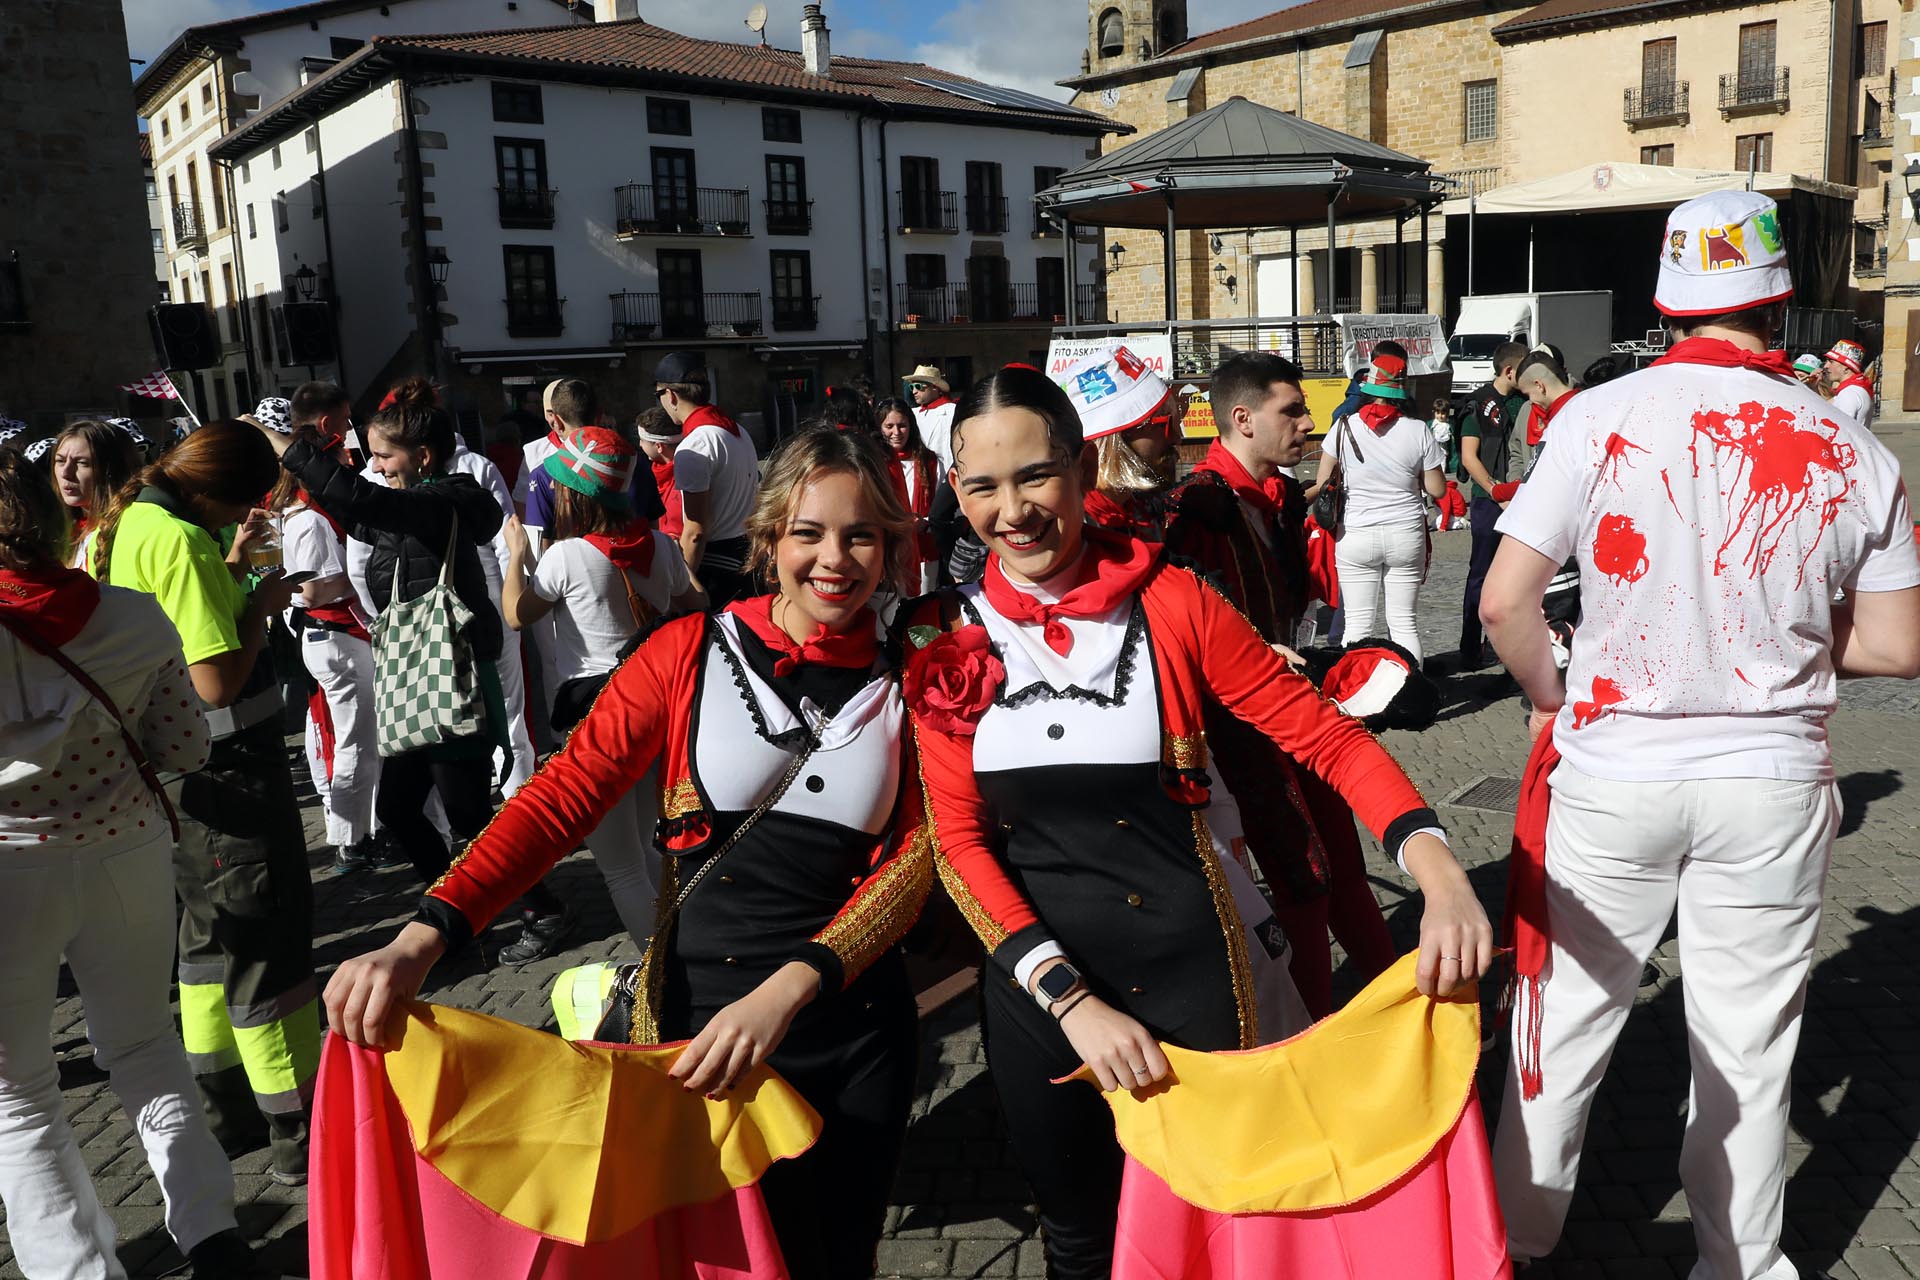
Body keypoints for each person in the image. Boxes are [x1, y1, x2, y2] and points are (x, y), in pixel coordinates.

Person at [903, 365, 1493, 1280]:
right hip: (1042, 1004)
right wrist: (1070, 1001)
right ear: (956, 490)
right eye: (981, 485)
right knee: (1080, 1241)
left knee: (1227, 1236)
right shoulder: (947, 641)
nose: (1011, 510)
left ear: (1080, 465)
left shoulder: (1170, 600)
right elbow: (960, 842)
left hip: (1195, 982)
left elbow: (1325, 739)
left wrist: (1441, 870)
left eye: (1035, 476)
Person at [325, 426, 932, 1279]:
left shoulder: (921, 676)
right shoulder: (688, 652)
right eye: (809, 532)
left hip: (848, 1033)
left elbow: (913, 866)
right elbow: (561, 798)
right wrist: (423, 935)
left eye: (862, 534)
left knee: (833, 1261)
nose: (835, 559)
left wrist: (786, 994)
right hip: (691, 1038)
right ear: (767, 539)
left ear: (893, 548)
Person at [1481, 189, 1920, 1280]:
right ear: (1780, 302)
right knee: (1750, 1045)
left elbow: (1502, 603)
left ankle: (1511, 1241)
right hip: (1770, 775)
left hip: (1617, 763)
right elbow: (1901, 646)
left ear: (1667, 300)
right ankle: (1742, 1263)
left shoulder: (1596, 414)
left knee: (1567, 1019)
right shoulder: (1850, 440)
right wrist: (1786, 648)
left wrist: (1552, 689)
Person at [0, 448, 277, 1278]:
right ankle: (211, 1232)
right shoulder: (130, 616)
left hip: (10, 867)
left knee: (20, 1094)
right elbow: (186, 744)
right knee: (146, 1049)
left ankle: (79, 1268)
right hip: (124, 853)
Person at [89, 420, 319, 1188]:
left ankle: (227, 1111)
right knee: (265, 948)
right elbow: (215, 680)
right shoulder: (180, 540)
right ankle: (300, 1131)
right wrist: (264, 602)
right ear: (216, 492)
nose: (234, 519)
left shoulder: (138, 522)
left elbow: (178, 623)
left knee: (206, 944)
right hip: (231, 769)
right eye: (239, 506)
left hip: (181, 775)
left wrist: (239, 570)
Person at [280, 380, 574, 964]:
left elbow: (368, 504)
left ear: (423, 456)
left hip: (453, 672)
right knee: (398, 808)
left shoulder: (447, 496)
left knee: (469, 816)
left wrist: (287, 448)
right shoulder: (406, 502)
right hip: (418, 679)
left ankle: (540, 910)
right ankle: (460, 910)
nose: (373, 466)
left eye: (383, 456)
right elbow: (357, 510)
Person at [1164, 351, 1400, 1017]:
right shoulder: (1197, 507)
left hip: (1293, 711)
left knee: (1344, 865)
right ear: (1241, 419)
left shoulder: (1280, 498)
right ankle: (1314, 1035)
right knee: (1304, 881)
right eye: (1290, 411)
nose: (1309, 422)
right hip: (1236, 728)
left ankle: (1399, 1001)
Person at [499, 424, 702, 944]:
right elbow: (697, 606)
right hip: (653, 706)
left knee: (620, 867)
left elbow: (518, 615)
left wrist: (516, 556)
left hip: (597, 722)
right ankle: (682, 954)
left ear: (574, 494)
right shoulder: (659, 545)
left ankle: (662, 976)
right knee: (653, 846)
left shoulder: (565, 557)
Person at [271, 395, 389, 877]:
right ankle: (348, 840)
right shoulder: (313, 520)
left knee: (359, 738)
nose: (348, 461)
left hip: (337, 636)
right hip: (334, 636)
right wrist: (368, 573)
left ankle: (362, 831)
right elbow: (311, 589)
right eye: (339, 455)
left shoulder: (308, 514)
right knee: (356, 740)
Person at [1310, 351, 1445, 663]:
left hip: (1356, 534)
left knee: (1356, 625)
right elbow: (1437, 489)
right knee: (1404, 624)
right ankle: (1412, 694)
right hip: (1405, 534)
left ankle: (1357, 696)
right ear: (1400, 391)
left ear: (1369, 387)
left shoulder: (1343, 427)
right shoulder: (1418, 430)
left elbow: (1322, 482)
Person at [656, 350, 759, 606]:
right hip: (744, 553)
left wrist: (681, 589)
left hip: (714, 564)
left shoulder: (697, 444)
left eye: (658, 395)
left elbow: (695, 532)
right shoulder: (738, 431)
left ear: (670, 395)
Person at [1456, 339, 1529, 669]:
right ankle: (1470, 647)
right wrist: (1496, 491)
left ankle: (1507, 649)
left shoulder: (1524, 403)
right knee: (1480, 576)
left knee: (1516, 581)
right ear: (1509, 370)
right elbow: (1469, 458)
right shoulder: (1477, 404)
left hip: (1521, 501)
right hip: (1489, 503)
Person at [1062, 346, 1180, 543]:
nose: (1177, 438)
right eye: (1166, 424)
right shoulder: (1071, 530)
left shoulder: (1139, 513)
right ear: (1118, 438)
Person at [50, 419, 142, 569]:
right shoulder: (60, 533)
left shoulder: (134, 528)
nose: (65, 473)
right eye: (60, 461)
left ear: (112, 470)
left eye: (82, 463)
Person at [874, 395, 940, 592]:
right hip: (889, 548)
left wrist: (925, 521)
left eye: (902, 425)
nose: (896, 432)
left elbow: (940, 504)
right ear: (879, 427)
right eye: (889, 426)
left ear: (911, 426)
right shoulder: (876, 462)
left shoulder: (929, 460)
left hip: (923, 548)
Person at [635, 405, 685, 540]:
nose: (640, 444)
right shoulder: (652, 474)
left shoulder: (683, 483)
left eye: (642, 440)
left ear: (658, 446)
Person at [1824, 338, 1875, 425]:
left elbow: (1842, 428)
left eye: (1831, 362)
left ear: (1846, 368)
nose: (1826, 366)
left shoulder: (1849, 393)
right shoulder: (1855, 389)